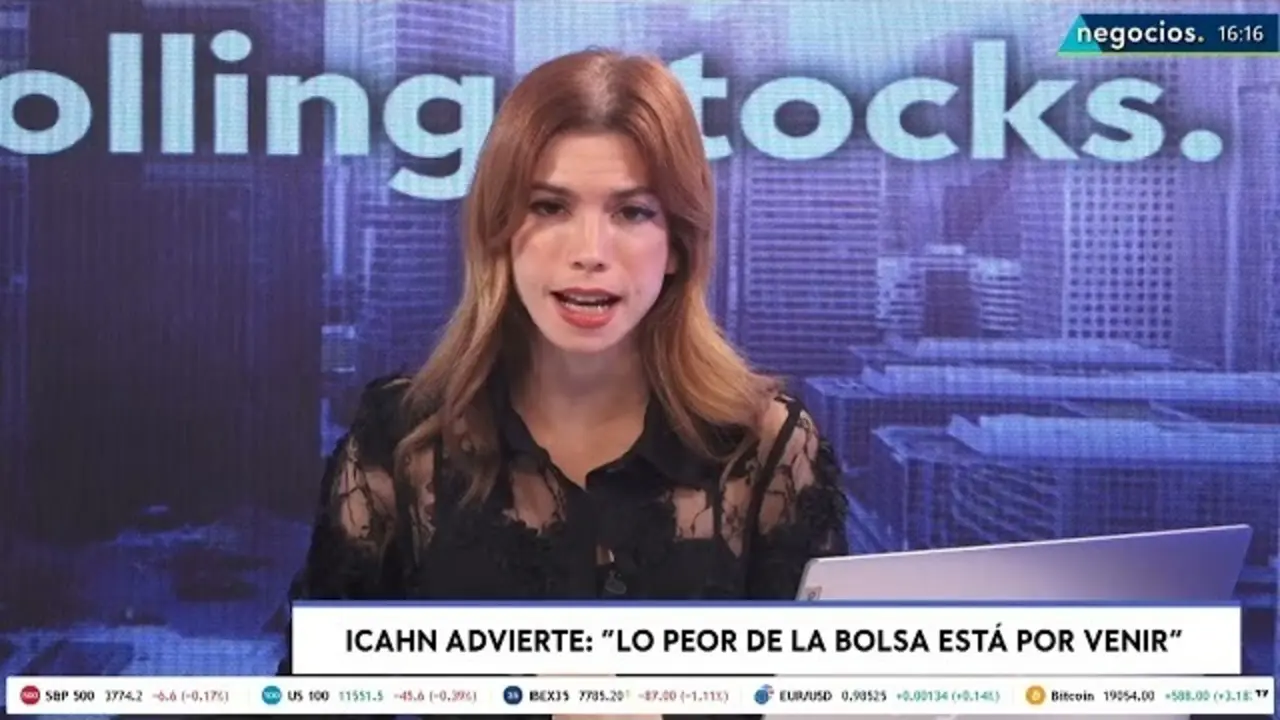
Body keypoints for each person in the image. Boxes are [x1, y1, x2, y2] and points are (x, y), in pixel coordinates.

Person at [279, 49, 849, 718]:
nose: (589, 252)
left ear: (678, 245)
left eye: (632, 213)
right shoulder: (400, 440)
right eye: (549, 207)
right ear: (498, 231)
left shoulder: (767, 447)